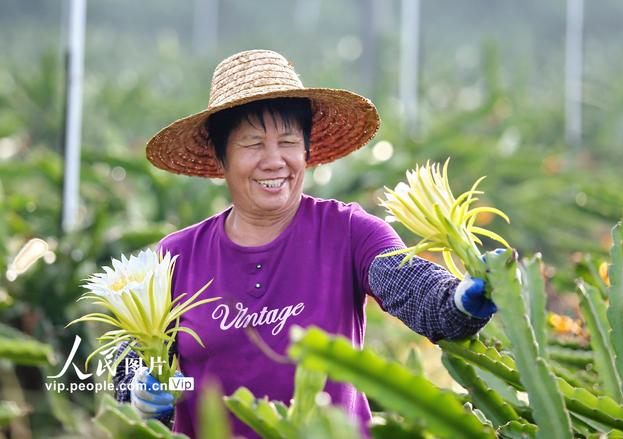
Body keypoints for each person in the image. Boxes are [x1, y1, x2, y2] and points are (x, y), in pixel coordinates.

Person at [113, 49, 497, 439]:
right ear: (219, 155)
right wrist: (141, 391)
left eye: (288, 141)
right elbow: (138, 375)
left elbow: (416, 291)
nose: (274, 160)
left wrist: (460, 299)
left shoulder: (350, 232)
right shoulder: (176, 257)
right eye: (253, 144)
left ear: (307, 150)